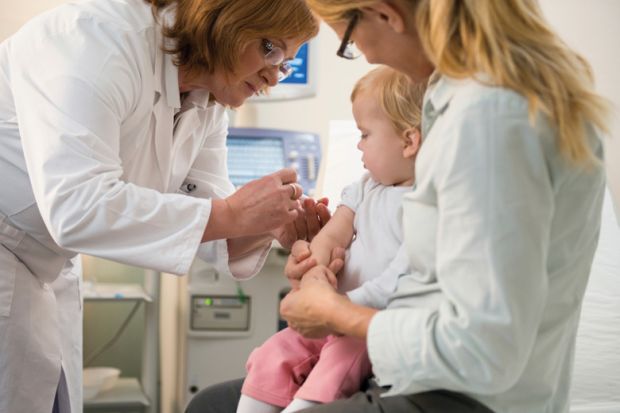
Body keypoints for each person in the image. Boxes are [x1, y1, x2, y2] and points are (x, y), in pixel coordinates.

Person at [185, 1, 611, 412]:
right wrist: (329, 253)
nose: (366, 55)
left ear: (386, 13)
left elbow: (482, 350)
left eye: (348, 39)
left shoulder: (492, 117)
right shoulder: (458, 101)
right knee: (212, 404)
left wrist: (336, 313)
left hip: (459, 394)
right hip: (420, 374)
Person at [0, 1, 325, 412]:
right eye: (269, 49)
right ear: (223, 19)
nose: (273, 75)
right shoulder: (94, 39)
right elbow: (78, 206)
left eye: (286, 62)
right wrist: (236, 214)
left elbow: (206, 212)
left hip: (47, 264)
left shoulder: (210, 99)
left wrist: (271, 223)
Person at [237, 66, 426, 413]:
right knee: (275, 351)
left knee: (335, 365)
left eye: (366, 134)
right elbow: (332, 233)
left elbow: (400, 277)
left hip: (367, 323)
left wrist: (340, 306)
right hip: (330, 307)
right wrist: (314, 271)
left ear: (408, 141)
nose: (358, 144)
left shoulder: (425, 204)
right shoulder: (365, 186)